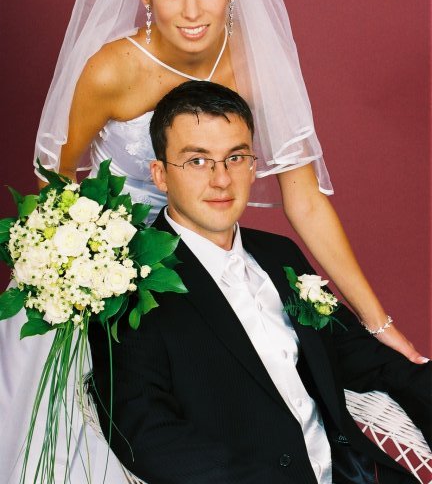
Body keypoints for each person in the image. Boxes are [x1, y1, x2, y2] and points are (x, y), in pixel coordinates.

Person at [90, 80, 431, 484]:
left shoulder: (279, 253)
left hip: (355, 474)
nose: (221, 179)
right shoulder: (128, 285)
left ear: (253, 166)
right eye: (197, 161)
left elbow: (362, 357)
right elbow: (144, 433)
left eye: (235, 158)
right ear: (160, 175)